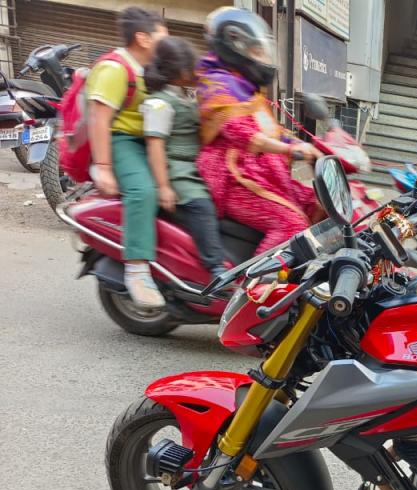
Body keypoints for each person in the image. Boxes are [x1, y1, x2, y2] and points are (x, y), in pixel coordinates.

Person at [195, 7, 322, 254]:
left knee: (316, 203)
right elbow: (240, 133)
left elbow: (272, 130)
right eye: (257, 52)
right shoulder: (217, 84)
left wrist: (314, 146)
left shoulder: (247, 89)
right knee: (291, 225)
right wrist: (291, 149)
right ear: (234, 47)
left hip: (263, 172)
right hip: (233, 178)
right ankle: (249, 289)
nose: (263, 58)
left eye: (263, 51)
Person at [86, 6, 168, 308]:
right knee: (143, 191)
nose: (167, 40)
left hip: (149, 142)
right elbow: (99, 119)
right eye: (163, 34)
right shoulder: (116, 68)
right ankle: (137, 270)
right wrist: (104, 167)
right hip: (123, 141)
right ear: (143, 38)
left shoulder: (149, 67)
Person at [140, 36, 228, 277]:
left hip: (194, 167)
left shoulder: (182, 96)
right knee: (201, 206)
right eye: (189, 66)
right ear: (176, 70)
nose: (194, 71)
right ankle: (216, 267)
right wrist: (164, 187)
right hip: (177, 171)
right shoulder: (159, 103)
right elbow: (155, 145)